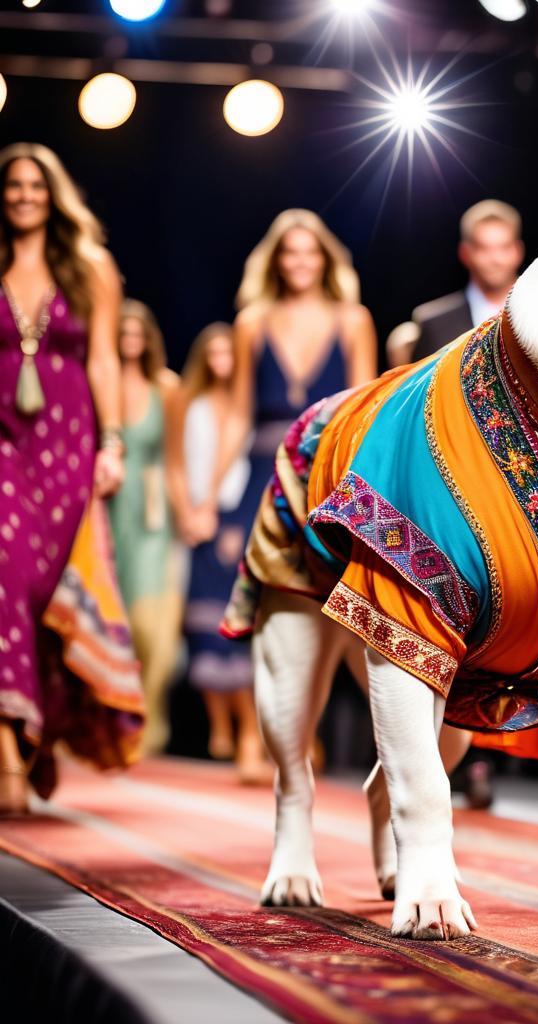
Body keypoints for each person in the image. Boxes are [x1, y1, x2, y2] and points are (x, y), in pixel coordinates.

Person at [0, 143, 143, 812]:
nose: (24, 195)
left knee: (50, 595)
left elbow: (106, 363)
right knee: (6, 578)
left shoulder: (90, 268)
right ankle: (6, 748)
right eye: (13, 185)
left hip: (67, 446)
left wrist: (111, 444)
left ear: (53, 194)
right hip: (3, 444)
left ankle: (42, 733)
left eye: (36, 184)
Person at [210, 210, 377, 781]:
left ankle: (303, 731)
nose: (300, 261)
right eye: (290, 252)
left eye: (310, 252)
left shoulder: (354, 320)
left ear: (325, 259)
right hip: (264, 469)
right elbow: (235, 413)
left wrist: (367, 489)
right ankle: (263, 745)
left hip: (330, 472)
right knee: (268, 603)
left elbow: (367, 408)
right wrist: (207, 492)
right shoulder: (252, 322)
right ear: (277, 261)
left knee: (328, 604)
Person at [166, 322, 259, 776]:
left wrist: (232, 521)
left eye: (230, 354)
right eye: (215, 354)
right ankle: (219, 724)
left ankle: (246, 728)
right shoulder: (189, 401)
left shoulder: (250, 406)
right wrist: (187, 511)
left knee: (236, 622)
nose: (222, 362)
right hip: (199, 519)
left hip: (235, 514)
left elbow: (253, 464)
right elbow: (176, 462)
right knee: (202, 620)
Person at [107, 300, 181, 755]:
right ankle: (110, 721)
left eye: (138, 332)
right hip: (108, 503)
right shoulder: (102, 382)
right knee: (113, 613)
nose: (131, 340)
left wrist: (189, 510)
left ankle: (149, 719)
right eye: (123, 332)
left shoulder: (166, 388)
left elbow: (175, 458)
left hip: (152, 510)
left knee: (152, 622)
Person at [387, 200, 524, 366]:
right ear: (465, 253)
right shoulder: (434, 324)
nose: (495, 259)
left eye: (504, 247)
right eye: (483, 248)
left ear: (518, 250)